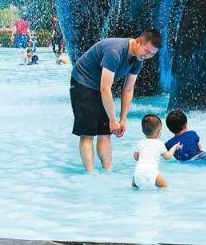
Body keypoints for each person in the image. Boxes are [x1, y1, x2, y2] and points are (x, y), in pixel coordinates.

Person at [69, 30, 161, 172]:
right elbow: (105, 88)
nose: (147, 56)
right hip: (83, 82)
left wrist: (122, 119)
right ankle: (90, 174)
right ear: (137, 41)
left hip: (101, 86)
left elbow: (129, 89)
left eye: (152, 54)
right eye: (147, 51)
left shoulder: (139, 58)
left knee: (105, 132)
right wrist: (113, 119)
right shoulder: (115, 51)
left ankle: (108, 172)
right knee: (88, 133)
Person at [131, 114, 181, 189]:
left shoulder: (140, 143)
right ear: (159, 132)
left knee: (134, 186)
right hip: (151, 172)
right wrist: (174, 147)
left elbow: (135, 156)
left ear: (142, 131)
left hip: (138, 172)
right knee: (164, 186)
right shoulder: (159, 144)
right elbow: (167, 157)